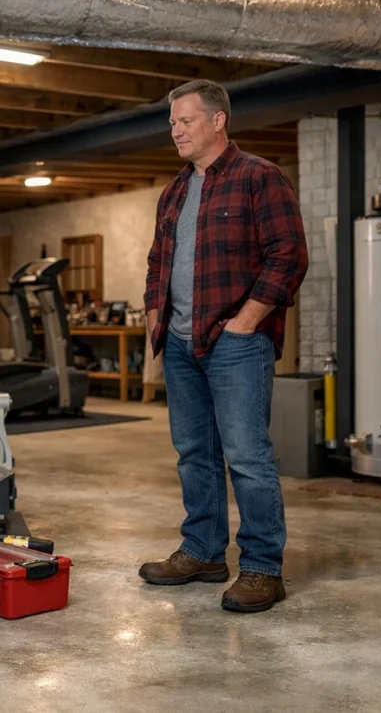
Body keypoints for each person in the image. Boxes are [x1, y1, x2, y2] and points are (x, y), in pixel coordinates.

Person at [139, 79, 308, 613]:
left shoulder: (260, 177)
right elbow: (155, 263)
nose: (176, 131)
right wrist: (153, 318)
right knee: (195, 455)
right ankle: (204, 552)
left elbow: (289, 255)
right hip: (181, 343)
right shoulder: (174, 191)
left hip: (235, 343)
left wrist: (246, 322)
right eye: (172, 123)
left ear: (217, 120)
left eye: (185, 120)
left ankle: (262, 568)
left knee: (246, 457)